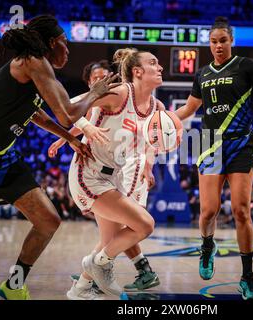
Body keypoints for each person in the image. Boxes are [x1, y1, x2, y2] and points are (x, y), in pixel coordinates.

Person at [0, 15, 117, 300]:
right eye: (64, 43)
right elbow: (67, 113)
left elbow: (35, 112)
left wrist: (70, 137)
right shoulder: (32, 62)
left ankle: (12, 287)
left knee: (48, 220)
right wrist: (94, 93)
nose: (68, 50)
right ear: (51, 43)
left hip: (0, 158)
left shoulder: (38, 68)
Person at [175, 16, 253, 300]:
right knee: (208, 212)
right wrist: (162, 120)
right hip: (209, 143)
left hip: (241, 142)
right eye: (214, 42)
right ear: (209, 44)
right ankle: (207, 246)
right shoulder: (202, 73)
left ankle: (248, 277)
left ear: (232, 41)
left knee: (241, 210)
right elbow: (190, 108)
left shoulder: (246, 66)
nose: (218, 46)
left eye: (223, 41)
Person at [48, 57, 160, 298]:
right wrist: (78, 133)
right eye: (155, 63)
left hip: (113, 176)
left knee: (109, 240)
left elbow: (164, 130)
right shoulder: (118, 94)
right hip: (89, 174)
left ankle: (80, 289)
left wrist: (171, 138)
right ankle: (101, 264)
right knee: (144, 224)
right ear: (138, 72)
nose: (160, 67)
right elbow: (67, 105)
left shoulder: (153, 106)